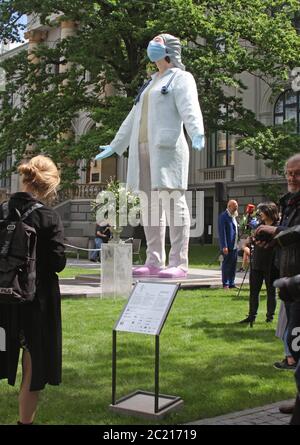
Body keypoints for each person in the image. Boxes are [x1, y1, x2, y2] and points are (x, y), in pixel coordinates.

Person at [95, 34, 205, 278]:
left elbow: (190, 106)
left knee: (173, 203)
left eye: (157, 41)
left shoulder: (181, 78)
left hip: (167, 149)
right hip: (142, 149)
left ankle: (179, 262)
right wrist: (115, 145)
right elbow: (133, 118)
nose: (151, 46)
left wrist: (196, 131)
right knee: (149, 205)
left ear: (169, 49)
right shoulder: (150, 82)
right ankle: (154, 260)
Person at [0, 155, 66, 425]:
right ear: (48, 185)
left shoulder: (1, 210)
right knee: (32, 361)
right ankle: (24, 422)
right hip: (34, 301)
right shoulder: (48, 216)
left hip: (1, 298)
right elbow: (58, 263)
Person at [255, 153, 300, 417]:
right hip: (289, 279)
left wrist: (277, 232)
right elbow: (289, 233)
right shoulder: (289, 201)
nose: (292, 177)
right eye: (289, 173)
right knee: (294, 341)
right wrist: (270, 239)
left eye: (297, 173)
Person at [239, 202, 279, 326]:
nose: (260, 213)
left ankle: (269, 318)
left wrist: (256, 241)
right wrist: (248, 247)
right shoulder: (259, 226)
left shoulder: (277, 227)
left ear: (269, 212)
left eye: (262, 211)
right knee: (253, 292)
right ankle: (251, 316)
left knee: (271, 292)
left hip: (271, 265)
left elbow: (273, 244)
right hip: (256, 263)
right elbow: (248, 241)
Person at [218, 200, 239, 289]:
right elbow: (222, 233)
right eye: (235, 206)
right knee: (226, 264)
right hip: (228, 245)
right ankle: (225, 283)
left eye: (237, 206)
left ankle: (231, 282)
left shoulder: (233, 216)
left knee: (233, 265)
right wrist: (224, 246)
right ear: (229, 206)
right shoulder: (223, 216)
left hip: (234, 245)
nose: (236, 208)